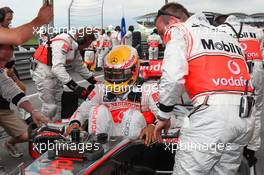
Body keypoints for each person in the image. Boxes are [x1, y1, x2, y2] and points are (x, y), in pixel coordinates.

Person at [153, 3, 254, 175]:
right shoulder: (227, 35)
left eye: (162, 32)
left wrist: (163, 116)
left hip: (211, 119)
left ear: (171, 21)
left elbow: (172, 77)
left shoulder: (179, 30)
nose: (163, 39)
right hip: (244, 118)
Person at [66, 45, 159, 144]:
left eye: (119, 74)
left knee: (132, 116)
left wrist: (153, 126)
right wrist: (74, 123)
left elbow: (168, 117)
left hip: (135, 142)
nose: (114, 79)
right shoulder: (100, 89)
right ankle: (97, 148)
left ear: (134, 70)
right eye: (111, 74)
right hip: (106, 139)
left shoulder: (148, 89)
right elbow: (83, 110)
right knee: (97, 110)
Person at [218, 15, 264, 174]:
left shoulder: (220, 30)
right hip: (256, 70)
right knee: (256, 109)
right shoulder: (256, 31)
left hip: (235, 70)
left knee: (231, 105)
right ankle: (251, 148)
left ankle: (231, 141)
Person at [31, 28, 97, 121]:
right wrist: (75, 87)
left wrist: (95, 82)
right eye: (87, 44)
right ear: (81, 39)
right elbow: (57, 68)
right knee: (50, 107)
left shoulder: (74, 45)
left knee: (58, 103)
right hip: (42, 71)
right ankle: (42, 128)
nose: (87, 47)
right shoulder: (63, 42)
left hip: (53, 72)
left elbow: (80, 67)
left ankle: (56, 127)